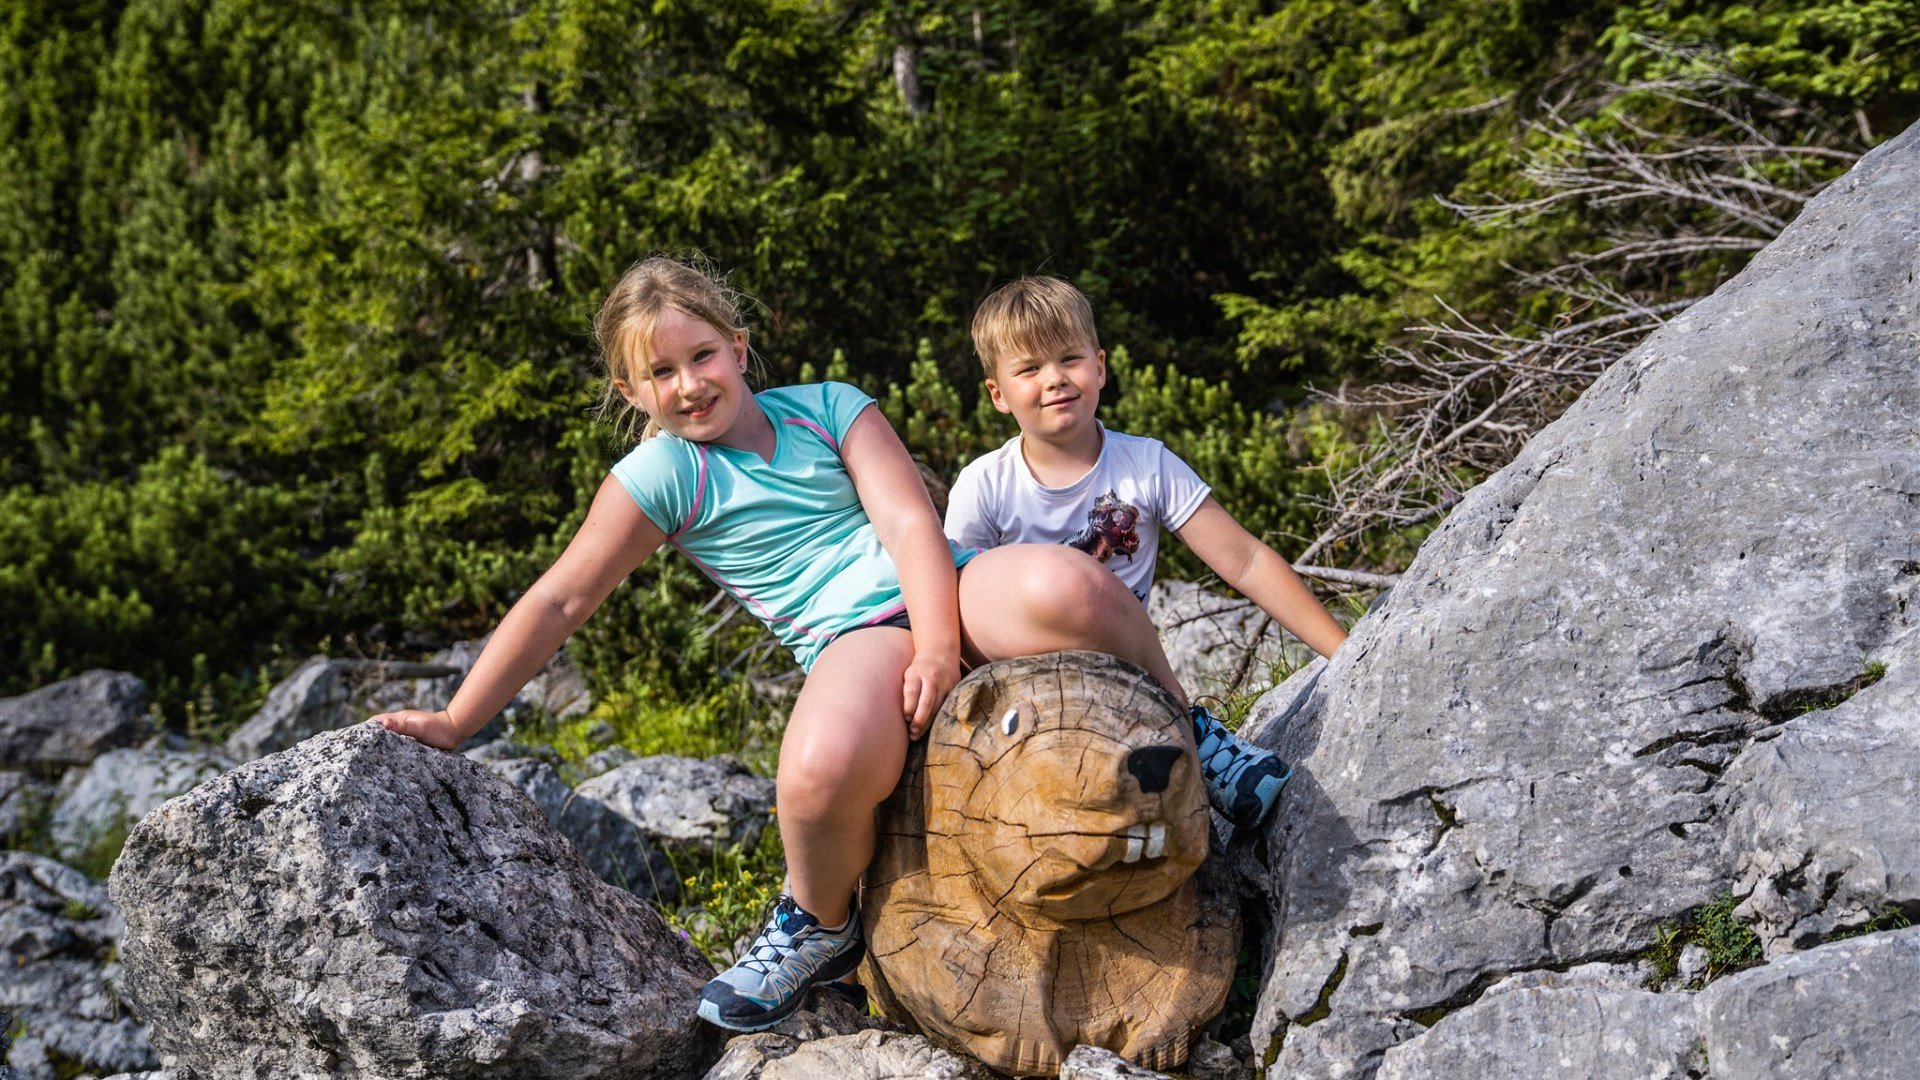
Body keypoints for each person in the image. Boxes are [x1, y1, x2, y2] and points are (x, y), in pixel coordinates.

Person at [371, 256, 1197, 1034]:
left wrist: (940, 649)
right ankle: (819, 922)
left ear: (738, 346)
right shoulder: (660, 477)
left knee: (1074, 585)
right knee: (815, 772)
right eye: (661, 374)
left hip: (947, 584)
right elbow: (559, 599)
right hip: (852, 637)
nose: (690, 385)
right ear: (630, 390)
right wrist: (456, 718)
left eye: (702, 356)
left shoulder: (829, 406)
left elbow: (910, 524)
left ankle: (1200, 737)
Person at [945, 274, 1349, 831]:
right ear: (997, 394)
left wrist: (1347, 655)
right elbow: (956, 607)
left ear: (1102, 366)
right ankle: (1187, 738)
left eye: (1070, 358)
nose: (1055, 379)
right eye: (1029, 369)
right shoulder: (983, 485)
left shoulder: (1147, 465)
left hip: (1130, 677)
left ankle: (1193, 743)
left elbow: (1246, 561)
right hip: (1027, 691)